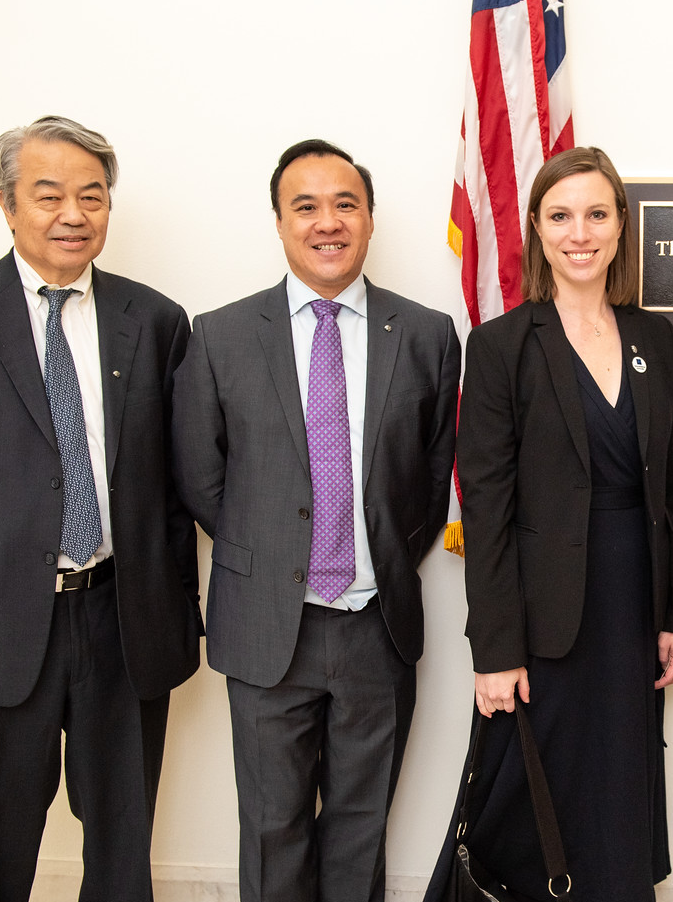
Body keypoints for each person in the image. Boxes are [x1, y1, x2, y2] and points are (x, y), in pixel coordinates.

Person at [0, 115, 201, 902]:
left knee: (123, 850)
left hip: (119, 621)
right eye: (48, 195)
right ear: (6, 204)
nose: (73, 215)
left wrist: (178, 610)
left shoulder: (154, 321)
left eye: (92, 195)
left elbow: (172, 492)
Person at [171, 138, 459, 902]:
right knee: (272, 829)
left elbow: (430, 478)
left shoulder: (427, 334)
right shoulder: (220, 335)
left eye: (345, 204)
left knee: (362, 828)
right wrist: (272, 554)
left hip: (378, 623)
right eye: (306, 206)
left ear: (369, 219)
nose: (327, 222)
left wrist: (381, 555)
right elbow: (203, 479)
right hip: (269, 625)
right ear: (278, 221)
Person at [423, 146, 673, 902]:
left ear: (619, 227)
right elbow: (486, 507)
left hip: (632, 611)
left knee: (618, 791)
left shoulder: (655, 340)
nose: (580, 232)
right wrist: (495, 649)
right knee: (527, 802)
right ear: (539, 233)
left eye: (597, 214)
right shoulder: (503, 346)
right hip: (542, 624)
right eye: (560, 216)